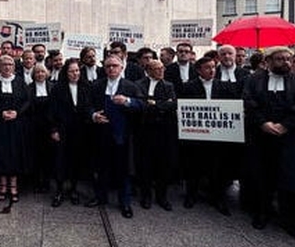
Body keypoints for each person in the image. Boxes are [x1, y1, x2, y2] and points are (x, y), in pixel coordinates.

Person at [243, 47, 295, 234]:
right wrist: (263, 123)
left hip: (290, 137)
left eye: (289, 59)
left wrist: (285, 125)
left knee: (288, 177)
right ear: (269, 61)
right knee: (262, 175)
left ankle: (287, 217)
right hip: (261, 136)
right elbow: (249, 102)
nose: (286, 62)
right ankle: (262, 212)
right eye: (280, 59)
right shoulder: (254, 79)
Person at [86, 55, 144, 218]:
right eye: (108, 66)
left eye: (114, 66)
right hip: (101, 134)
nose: (111, 69)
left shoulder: (130, 87)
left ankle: (124, 203)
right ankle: (100, 197)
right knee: (101, 168)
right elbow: (88, 105)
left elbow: (142, 105)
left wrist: (127, 101)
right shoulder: (97, 85)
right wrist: (93, 115)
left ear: (121, 67)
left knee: (123, 170)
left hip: (122, 135)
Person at [179, 56, 237, 214]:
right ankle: (191, 195)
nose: (211, 70)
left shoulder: (225, 87)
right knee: (194, 166)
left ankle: (218, 198)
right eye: (207, 68)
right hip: (196, 136)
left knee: (218, 167)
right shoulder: (188, 87)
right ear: (199, 70)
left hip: (218, 136)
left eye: (213, 67)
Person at [0, 55, 31, 203]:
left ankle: (14, 186)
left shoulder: (19, 81)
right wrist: (0, 113)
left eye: (10, 64)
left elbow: (27, 100)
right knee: (1, 154)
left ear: (14, 66)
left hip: (16, 124)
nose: (7, 67)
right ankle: (3, 186)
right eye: (4, 64)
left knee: (15, 154)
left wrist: (17, 113)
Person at [134, 59, 178, 211]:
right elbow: (141, 104)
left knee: (163, 165)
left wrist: (155, 104)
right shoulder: (139, 84)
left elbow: (173, 105)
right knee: (145, 164)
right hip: (145, 130)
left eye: (162, 68)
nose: (161, 71)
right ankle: (146, 196)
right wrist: (161, 105)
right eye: (157, 69)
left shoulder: (169, 85)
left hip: (164, 131)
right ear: (148, 70)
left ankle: (162, 196)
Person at [49, 58, 91, 207]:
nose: (75, 74)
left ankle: (73, 189)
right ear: (66, 73)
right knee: (60, 160)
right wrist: (54, 129)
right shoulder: (57, 89)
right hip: (62, 129)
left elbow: (88, 108)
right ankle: (59, 190)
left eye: (77, 70)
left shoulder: (85, 87)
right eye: (72, 71)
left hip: (79, 130)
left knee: (76, 160)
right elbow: (52, 111)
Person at [27, 63, 54, 193]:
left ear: (46, 73)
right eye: (37, 72)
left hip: (49, 126)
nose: (40, 74)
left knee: (48, 155)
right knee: (35, 154)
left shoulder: (52, 87)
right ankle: (36, 182)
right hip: (33, 126)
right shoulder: (29, 88)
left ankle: (47, 181)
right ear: (34, 75)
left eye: (42, 72)